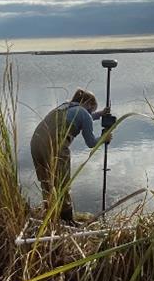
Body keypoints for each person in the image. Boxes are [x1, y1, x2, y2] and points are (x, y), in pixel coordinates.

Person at [31, 88, 109, 223]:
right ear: (89, 104)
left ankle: (50, 215)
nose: (90, 113)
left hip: (36, 143)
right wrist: (104, 138)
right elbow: (91, 143)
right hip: (55, 146)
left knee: (47, 181)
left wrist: (100, 114)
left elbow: (85, 117)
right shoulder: (84, 114)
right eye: (92, 109)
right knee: (62, 182)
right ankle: (68, 221)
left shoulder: (66, 107)